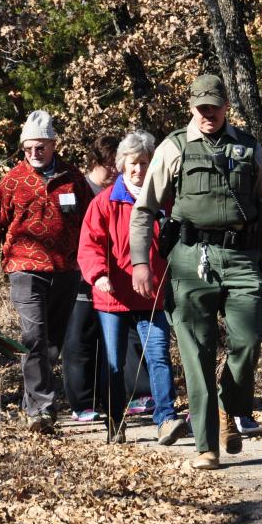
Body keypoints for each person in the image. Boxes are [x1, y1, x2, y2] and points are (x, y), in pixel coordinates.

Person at [130, 74, 262, 469]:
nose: (208, 114)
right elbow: (144, 208)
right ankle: (206, 446)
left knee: (249, 342)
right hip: (190, 258)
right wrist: (140, 262)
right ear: (191, 107)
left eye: (214, 107)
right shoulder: (174, 147)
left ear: (225, 106)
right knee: (196, 352)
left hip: (242, 258)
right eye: (201, 108)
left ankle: (225, 404)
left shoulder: (249, 149)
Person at [0, 110, 95, 433]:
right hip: (24, 269)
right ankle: (41, 410)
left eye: (39, 147)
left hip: (67, 270)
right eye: (27, 148)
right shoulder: (11, 181)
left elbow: (90, 222)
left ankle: (35, 402)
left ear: (53, 144)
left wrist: (94, 263)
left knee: (53, 340)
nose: (33, 153)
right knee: (34, 337)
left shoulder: (73, 178)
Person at [79, 130, 186, 445]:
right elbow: (89, 245)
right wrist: (98, 274)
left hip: (151, 296)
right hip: (111, 296)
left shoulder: (166, 201)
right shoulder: (104, 203)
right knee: (114, 361)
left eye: (144, 162)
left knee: (158, 355)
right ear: (121, 165)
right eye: (133, 163)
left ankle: (166, 419)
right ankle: (115, 423)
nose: (138, 168)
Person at [64, 134, 122, 423]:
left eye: (117, 165)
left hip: (116, 275)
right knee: (80, 338)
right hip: (79, 273)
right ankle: (82, 402)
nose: (114, 171)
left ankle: (109, 398)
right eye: (109, 165)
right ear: (96, 162)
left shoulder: (123, 191)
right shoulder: (77, 188)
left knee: (109, 340)